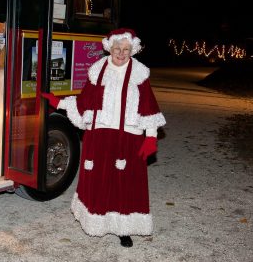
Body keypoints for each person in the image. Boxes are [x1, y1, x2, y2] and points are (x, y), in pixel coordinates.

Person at [42, 28, 166, 247]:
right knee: (100, 180)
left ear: (133, 50)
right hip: (99, 134)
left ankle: (123, 228)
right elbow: (84, 102)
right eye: (118, 49)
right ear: (110, 48)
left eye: (126, 49)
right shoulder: (97, 71)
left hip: (128, 136)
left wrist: (151, 137)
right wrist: (58, 102)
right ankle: (96, 220)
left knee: (124, 183)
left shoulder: (139, 73)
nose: (121, 53)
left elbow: (149, 106)